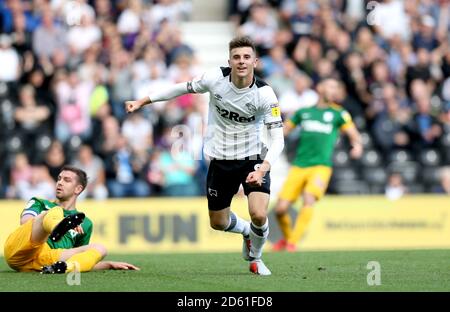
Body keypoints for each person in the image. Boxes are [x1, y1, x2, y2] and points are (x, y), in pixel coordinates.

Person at [125, 36, 285, 275]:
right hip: (220, 160)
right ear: (229, 60)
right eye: (237, 57)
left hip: (253, 159)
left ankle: (257, 258)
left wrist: (263, 169)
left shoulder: (265, 95)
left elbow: (278, 139)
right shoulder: (215, 79)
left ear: (255, 61)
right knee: (218, 223)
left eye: (246, 57)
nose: (241, 62)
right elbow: (180, 88)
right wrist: (143, 101)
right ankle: (245, 232)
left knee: (259, 214)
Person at [273, 78, 363, 252]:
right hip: (299, 165)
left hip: (321, 166)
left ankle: (292, 243)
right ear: (320, 88)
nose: (334, 90)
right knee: (280, 210)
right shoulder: (303, 112)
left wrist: (357, 146)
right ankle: (287, 239)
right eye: (331, 86)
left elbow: (354, 134)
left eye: (336, 87)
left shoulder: (339, 114)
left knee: (309, 199)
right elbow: (284, 130)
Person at [4, 165, 139, 273]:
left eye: (66, 180)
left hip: (48, 260)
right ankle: (58, 225)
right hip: (21, 251)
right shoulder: (39, 202)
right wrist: (55, 223)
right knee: (53, 212)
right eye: (59, 178)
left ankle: (63, 268)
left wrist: (109, 264)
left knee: (101, 248)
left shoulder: (85, 223)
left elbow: (79, 258)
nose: (60, 183)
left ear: (78, 189)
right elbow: (25, 223)